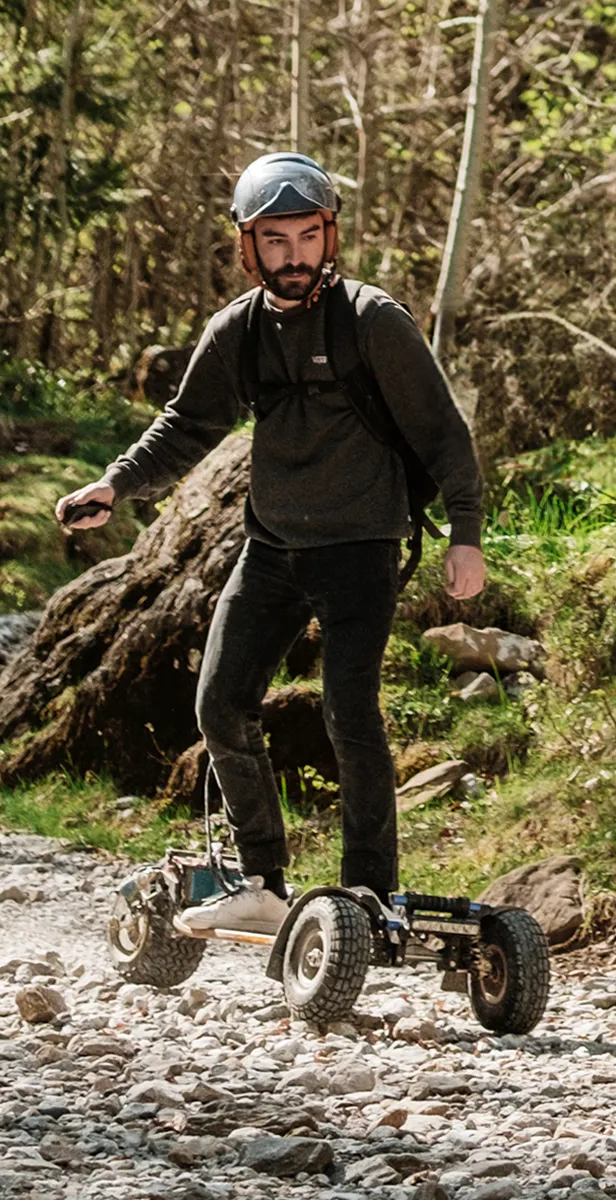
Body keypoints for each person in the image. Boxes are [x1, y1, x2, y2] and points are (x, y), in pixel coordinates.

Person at [56, 152, 485, 940]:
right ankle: (261, 881)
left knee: (348, 709)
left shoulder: (373, 322)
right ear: (249, 247)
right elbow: (186, 426)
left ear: (330, 236)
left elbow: (444, 436)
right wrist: (114, 486)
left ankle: (367, 897)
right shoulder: (239, 331)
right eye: (275, 242)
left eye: (307, 237)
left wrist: (465, 537)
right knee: (220, 702)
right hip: (273, 547)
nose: (294, 256)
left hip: (363, 546)